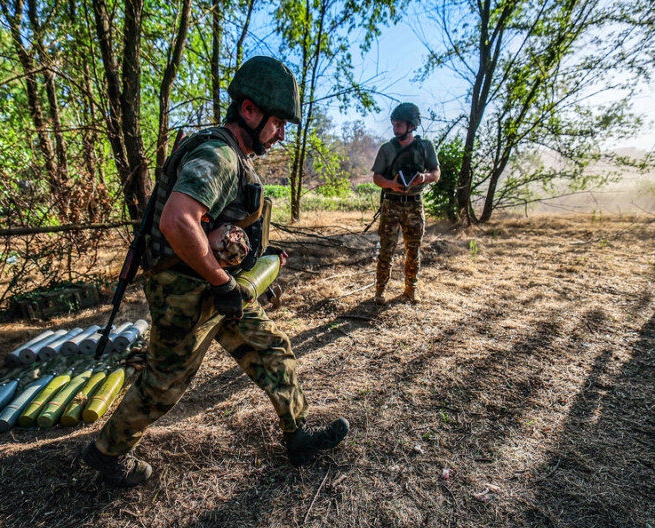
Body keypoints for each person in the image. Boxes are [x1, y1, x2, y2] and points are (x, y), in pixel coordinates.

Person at [81, 56, 349, 488]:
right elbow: (177, 220)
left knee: (272, 349)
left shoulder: (233, 156)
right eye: (278, 122)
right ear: (248, 110)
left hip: (216, 287)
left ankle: (297, 437)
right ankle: (107, 453)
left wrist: (246, 265)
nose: (281, 134)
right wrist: (222, 281)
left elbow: (217, 225)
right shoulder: (219, 155)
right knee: (165, 381)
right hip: (185, 290)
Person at [371, 102, 441, 304]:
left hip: (414, 204)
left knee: (414, 249)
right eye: (393, 124)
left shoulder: (425, 147)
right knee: (386, 249)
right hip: (391, 204)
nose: (395, 129)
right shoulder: (387, 149)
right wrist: (391, 184)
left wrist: (424, 177)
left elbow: (436, 173)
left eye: (399, 125)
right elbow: (377, 177)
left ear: (412, 125)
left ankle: (411, 289)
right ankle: (380, 291)